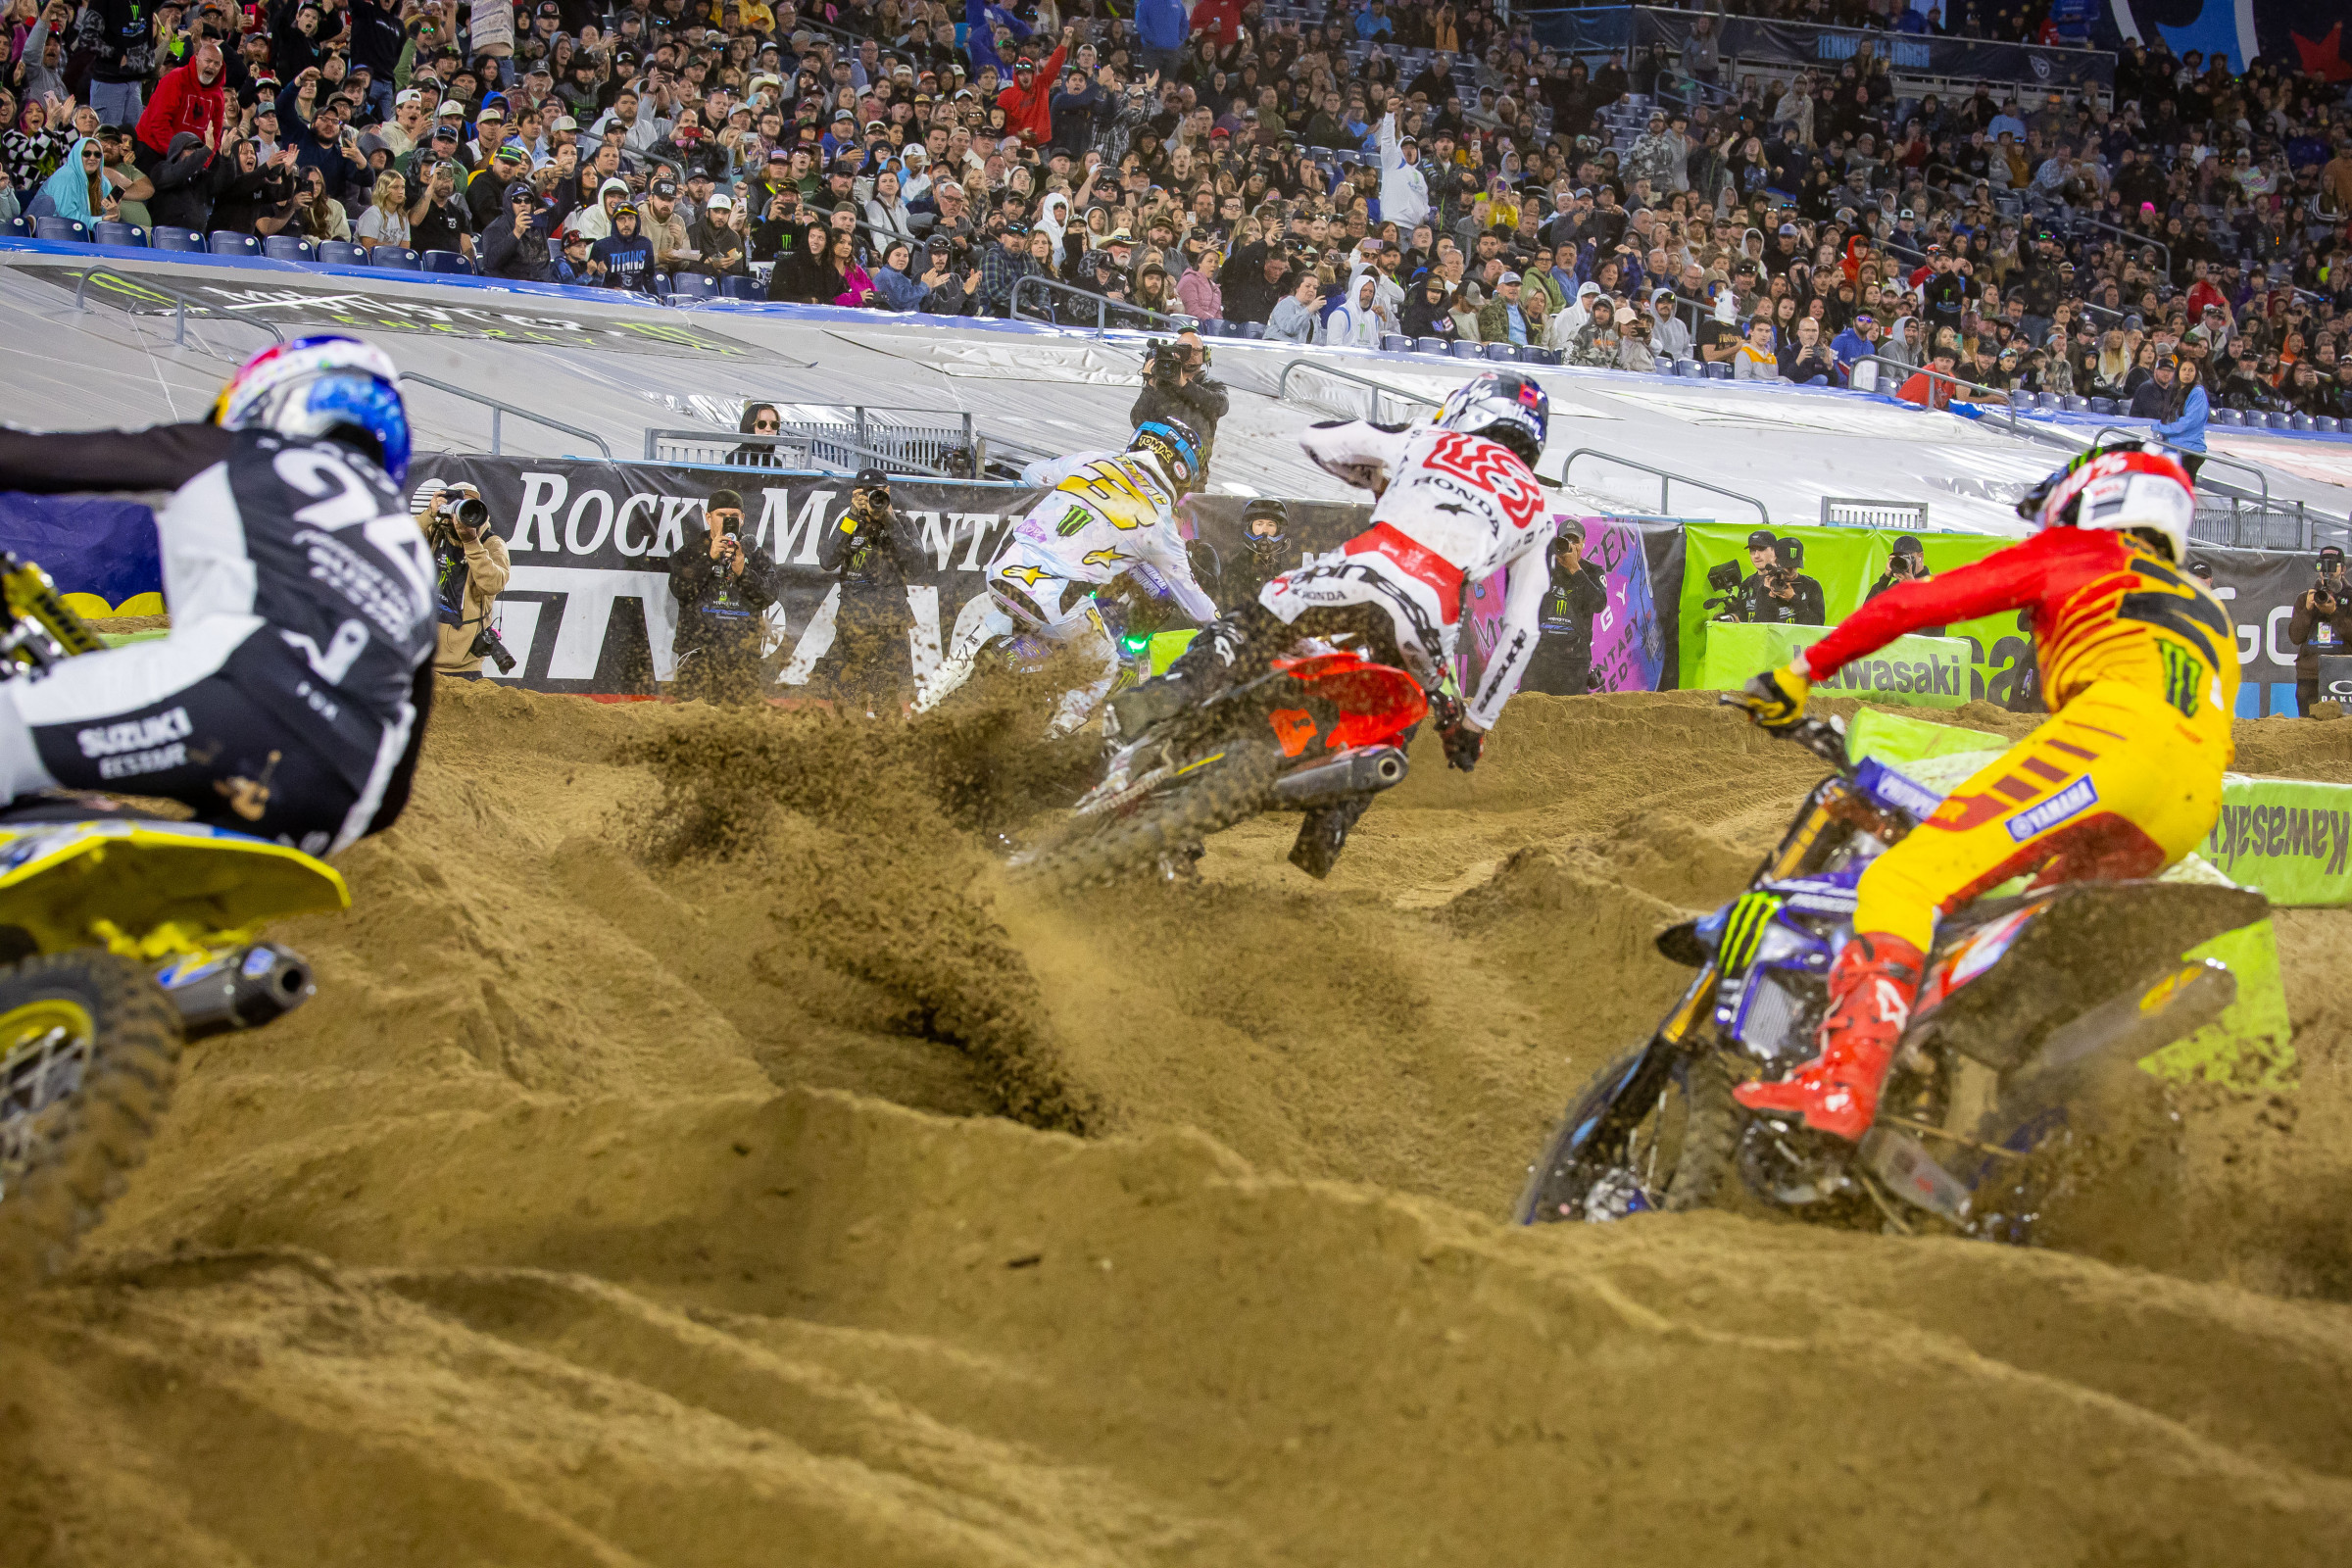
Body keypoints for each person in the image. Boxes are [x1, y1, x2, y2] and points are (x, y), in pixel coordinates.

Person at [1730, 443, 2233, 1142]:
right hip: (2190, 802)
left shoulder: (2082, 554)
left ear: (2097, 496)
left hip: (2111, 750)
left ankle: (1842, 1084)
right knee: (2033, 943)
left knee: (1903, 884)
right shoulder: (2209, 607)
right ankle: (2022, 1135)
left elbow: (1913, 602)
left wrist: (1800, 672)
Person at [0, 335, 434, 852]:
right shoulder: (409, 548)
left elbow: (32, 457)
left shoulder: (228, 451)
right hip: (348, 795)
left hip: (232, 691)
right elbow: (397, 775)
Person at [1112, 370, 1556, 781]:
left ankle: (1158, 701)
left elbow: (1319, 440)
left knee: (1243, 631)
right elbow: (1521, 631)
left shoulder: (1428, 439)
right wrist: (1475, 726)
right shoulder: (1538, 510)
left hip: (1354, 576)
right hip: (1428, 627)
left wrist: (1375, 479)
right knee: (1394, 732)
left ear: (1469, 406)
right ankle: (1322, 836)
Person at [919, 422, 1216, 736]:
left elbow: (1032, 474)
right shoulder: (1160, 522)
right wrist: (1228, 627)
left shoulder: (1095, 460)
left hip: (1002, 569)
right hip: (1055, 599)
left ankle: (925, 699)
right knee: (1105, 668)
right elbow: (1196, 603)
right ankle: (1053, 741)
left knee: (999, 621)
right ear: (1181, 471)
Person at [810, 467, 918, 714]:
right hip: (853, 624)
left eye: (877, 493)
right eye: (866, 493)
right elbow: (827, 561)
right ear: (855, 493)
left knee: (888, 703)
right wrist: (852, 514)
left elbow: (917, 565)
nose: (872, 499)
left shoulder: (902, 523)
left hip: (891, 624)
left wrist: (890, 521)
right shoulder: (850, 522)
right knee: (846, 702)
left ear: (888, 492)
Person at [667, 485, 781, 704]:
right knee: (692, 724)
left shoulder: (755, 555)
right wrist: (708, 558)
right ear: (708, 517)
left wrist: (742, 571)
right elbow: (680, 590)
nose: (728, 520)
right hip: (698, 653)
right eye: (721, 515)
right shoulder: (689, 552)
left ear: (742, 519)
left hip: (742, 657)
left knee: (739, 725)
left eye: (734, 516)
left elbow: (769, 595)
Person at [418, 481, 513, 676]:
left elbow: (493, 583)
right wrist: (430, 514)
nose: (463, 516)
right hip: (422, 661)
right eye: (458, 506)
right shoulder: (435, 533)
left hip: (463, 668)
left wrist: (471, 542)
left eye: (469, 508)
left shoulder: (491, 543)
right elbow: (399, 542)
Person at [1519, 521, 1609, 696]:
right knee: (1528, 710)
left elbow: (1599, 604)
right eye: (1565, 540)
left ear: (1583, 543)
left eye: (1575, 541)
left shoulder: (1593, 571)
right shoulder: (1543, 567)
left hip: (1574, 660)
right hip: (1539, 656)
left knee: (1571, 717)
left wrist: (1574, 568)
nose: (1570, 545)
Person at [1128, 328, 1228, 467]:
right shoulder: (1161, 385)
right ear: (1175, 353)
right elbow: (1138, 420)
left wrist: (1183, 384)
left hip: (1190, 471)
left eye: (1196, 351)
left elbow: (1221, 406)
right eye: (1184, 350)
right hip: (1153, 462)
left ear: (1205, 354)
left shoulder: (1211, 386)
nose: (1191, 355)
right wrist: (1150, 385)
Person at [2286, 546, 2352, 716]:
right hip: (2309, 674)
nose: (2327, 570)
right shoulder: (2305, 597)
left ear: (2343, 569)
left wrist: (2334, 613)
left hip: (2344, 673)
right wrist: (2307, 609)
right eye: (2323, 565)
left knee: (2342, 729)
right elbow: (2295, 636)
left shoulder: (2350, 597)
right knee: (2308, 728)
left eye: (2333, 565)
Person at [1223, 497, 1292, 613]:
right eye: (1259, 524)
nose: (1265, 530)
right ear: (1250, 528)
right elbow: (1234, 609)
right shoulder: (1236, 567)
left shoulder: (1277, 568)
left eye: (1271, 525)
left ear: (1278, 530)